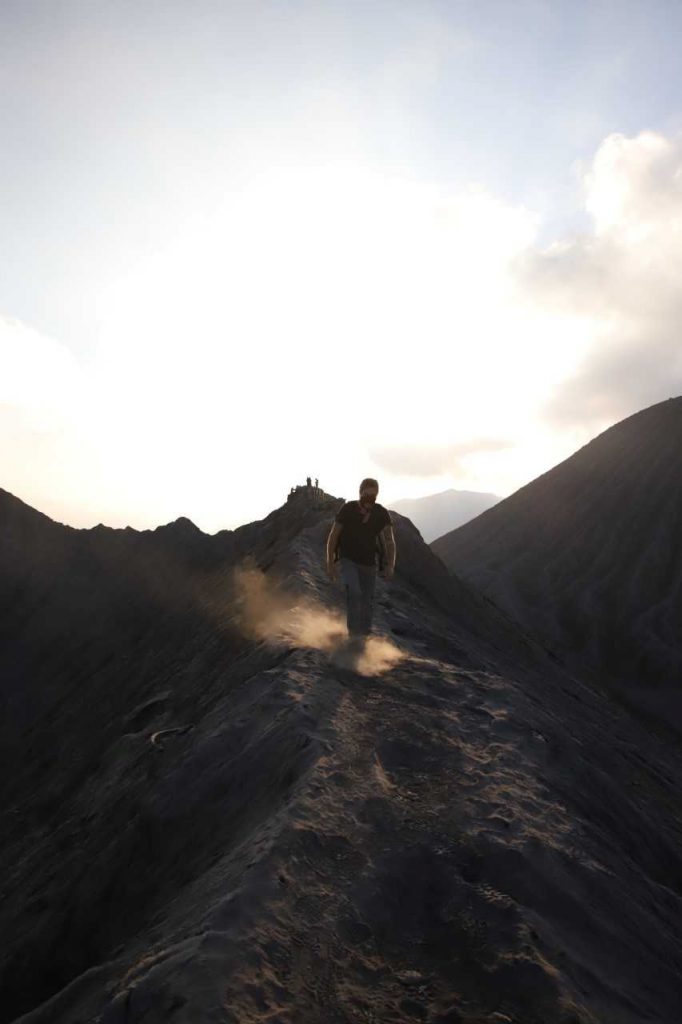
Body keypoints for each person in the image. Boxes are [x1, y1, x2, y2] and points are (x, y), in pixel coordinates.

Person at [326, 478, 396, 641]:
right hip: (348, 560)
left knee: (367, 601)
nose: (370, 498)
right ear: (360, 492)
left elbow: (390, 541)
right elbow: (333, 536)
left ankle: (363, 638)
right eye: (367, 494)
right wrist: (329, 563)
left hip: (369, 565)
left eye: (374, 495)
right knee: (355, 592)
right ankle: (353, 636)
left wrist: (391, 565)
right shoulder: (348, 509)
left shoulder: (381, 513)